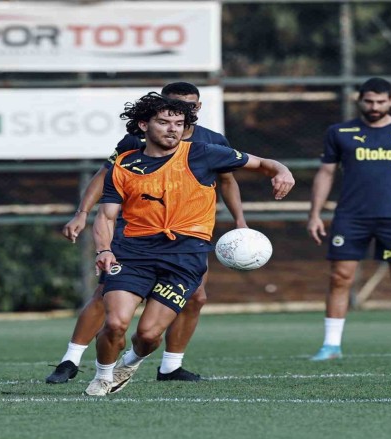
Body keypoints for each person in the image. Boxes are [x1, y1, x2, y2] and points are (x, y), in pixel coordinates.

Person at [85, 92, 294, 396]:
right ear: (143, 125)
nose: (173, 129)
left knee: (148, 336)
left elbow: (263, 163)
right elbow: (106, 216)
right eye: (163, 122)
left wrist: (282, 171)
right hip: (133, 254)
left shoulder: (204, 153)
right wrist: (104, 249)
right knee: (116, 324)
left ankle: (130, 362)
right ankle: (103, 377)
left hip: (184, 258)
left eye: (179, 123)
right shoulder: (125, 164)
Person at [46, 82, 247, 384]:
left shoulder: (211, 141)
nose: (179, 113)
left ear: (197, 108)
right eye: (173, 105)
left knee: (196, 297)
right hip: (136, 231)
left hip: (186, 235)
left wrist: (240, 221)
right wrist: (82, 213)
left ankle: (170, 366)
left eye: (188, 107)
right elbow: (106, 174)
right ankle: (70, 359)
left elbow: (228, 181)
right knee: (107, 294)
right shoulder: (137, 139)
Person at [307, 77, 391, 361]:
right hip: (351, 217)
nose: (375, 107)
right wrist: (315, 214)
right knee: (340, 277)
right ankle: (331, 346)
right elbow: (326, 173)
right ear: (359, 100)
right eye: (369, 101)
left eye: (381, 102)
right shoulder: (339, 132)